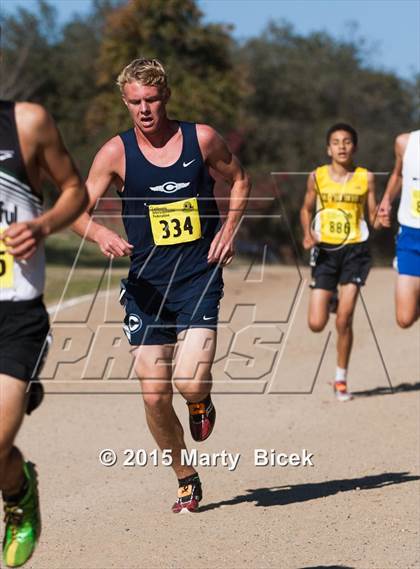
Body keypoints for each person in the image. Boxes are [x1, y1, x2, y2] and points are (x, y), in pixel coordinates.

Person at [72, 58, 250, 513]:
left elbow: (240, 180)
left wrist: (229, 230)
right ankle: (185, 475)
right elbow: (75, 209)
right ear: (125, 102)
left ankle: (200, 401)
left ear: (165, 96)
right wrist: (102, 234)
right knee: (153, 394)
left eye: (151, 99)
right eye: (135, 102)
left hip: (197, 279)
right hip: (146, 288)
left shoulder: (202, 138)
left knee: (189, 383)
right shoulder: (115, 153)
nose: (145, 110)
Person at [0, 100, 88, 567]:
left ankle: (18, 495)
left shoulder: (27, 124)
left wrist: (42, 224)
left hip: (14, 316)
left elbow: (75, 190)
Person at [300, 123, 379, 402]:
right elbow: (306, 208)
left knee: (345, 319)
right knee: (316, 323)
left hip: (355, 250)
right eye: (336, 142)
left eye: (347, 141)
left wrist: (380, 218)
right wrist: (308, 233)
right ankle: (332, 299)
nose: (342, 146)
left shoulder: (365, 177)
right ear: (328, 148)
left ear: (354, 147)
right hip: (325, 251)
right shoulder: (317, 176)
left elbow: (372, 213)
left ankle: (340, 379)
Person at [377, 131, 419, 328]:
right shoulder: (405, 142)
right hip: (411, 236)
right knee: (404, 318)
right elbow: (398, 174)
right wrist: (386, 199)